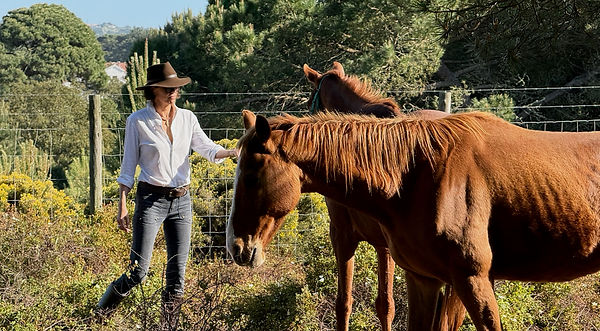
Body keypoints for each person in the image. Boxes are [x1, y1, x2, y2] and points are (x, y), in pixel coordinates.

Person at [95, 62, 237, 327]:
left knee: (177, 275)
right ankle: (100, 314)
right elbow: (128, 167)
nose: (173, 93)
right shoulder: (137, 121)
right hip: (150, 200)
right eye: (166, 88)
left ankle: (167, 326)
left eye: (175, 88)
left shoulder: (187, 118)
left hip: (182, 201)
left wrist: (230, 152)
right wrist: (123, 205)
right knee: (139, 272)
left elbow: (205, 147)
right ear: (153, 91)